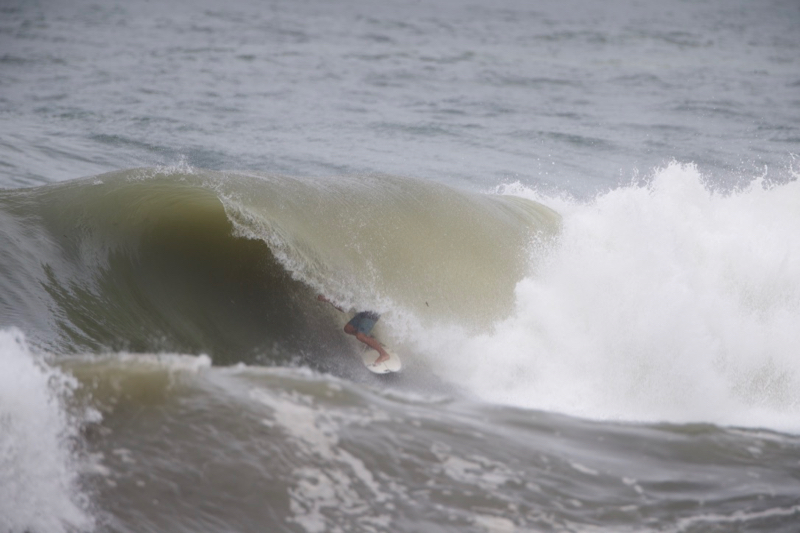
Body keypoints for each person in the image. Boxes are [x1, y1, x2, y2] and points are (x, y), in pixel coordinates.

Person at [317, 295, 390, 364]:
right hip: (364, 310)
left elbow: (344, 309)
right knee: (348, 329)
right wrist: (329, 300)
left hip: (372, 311)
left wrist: (328, 300)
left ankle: (384, 354)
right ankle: (371, 340)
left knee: (360, 336)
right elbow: (344, 308)